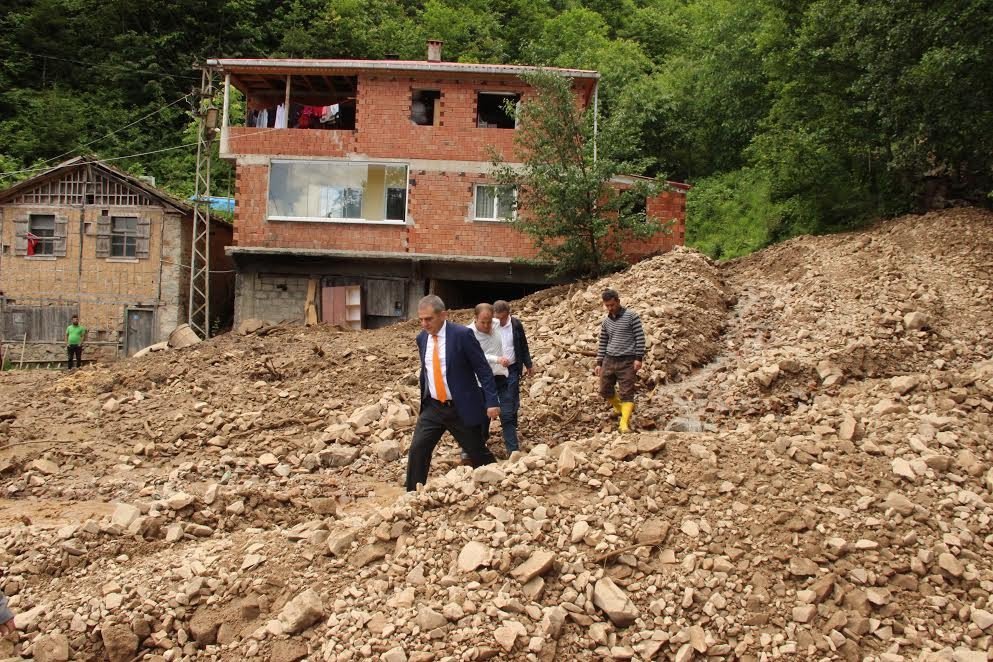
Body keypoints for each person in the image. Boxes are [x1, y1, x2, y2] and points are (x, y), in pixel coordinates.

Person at [406, 295, 500, 492]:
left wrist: (492, 401)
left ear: (443, 315)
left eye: (429, 319)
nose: (424, 324)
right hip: (433, 407)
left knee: (476, 451)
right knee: (418, 449)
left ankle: (499, 480)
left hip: (460, 408)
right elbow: (427, 370)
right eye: (421, 319)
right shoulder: (422, 338)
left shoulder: (462, 335)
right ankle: (412, 494)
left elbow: (483, 369)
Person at [594, 289, 646, 433]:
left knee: (626, 392)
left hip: (628, 360)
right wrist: (599, 362)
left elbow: (640, 338)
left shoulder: (632, 317)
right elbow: (603, 342)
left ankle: (624, 424)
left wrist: (638, 358)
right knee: (604, 390)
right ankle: (619, 408)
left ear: (618, 301)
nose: (610, 308)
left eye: (612, 305)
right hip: (609, 360)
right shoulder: (606, 321)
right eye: (607, 306)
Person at [466, 303, 510, 459]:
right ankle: (472, 447)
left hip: (499, 374)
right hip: (478, 379)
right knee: (479, 413)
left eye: (489, 321)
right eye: (482, 322)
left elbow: (509, 326)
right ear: (475, 318)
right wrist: (497, 359)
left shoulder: (497, 324)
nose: (486, 325)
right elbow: (478, 355)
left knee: (498, 410)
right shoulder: (468, 333)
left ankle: (487, 442)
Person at [493, 300, 532, 453]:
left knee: (512, 396)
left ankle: (511, 424)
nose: (499, 321)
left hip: (513, 368)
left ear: (508, 314)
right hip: (495, 370)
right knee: (502, 401)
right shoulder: (490, 326)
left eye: (502, 318)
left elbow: (523, 345)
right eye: (497, 318)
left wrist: (528, 364)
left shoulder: (516, 325)